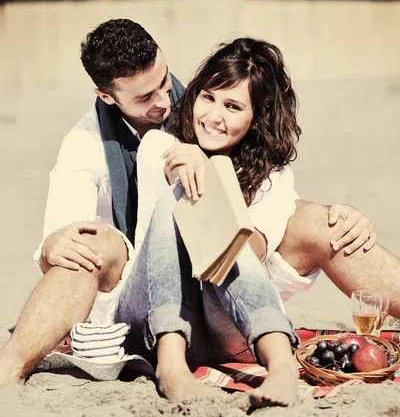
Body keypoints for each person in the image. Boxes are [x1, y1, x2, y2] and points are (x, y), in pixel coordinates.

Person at [0, 21, 386, 389]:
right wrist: (52, 243)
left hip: (228, 308)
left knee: (324, 222)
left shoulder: (211, 122)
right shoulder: (93, 144)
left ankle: (276, 363)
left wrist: (216, 185)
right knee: (98, 240)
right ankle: (10, 367)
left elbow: (257, 235)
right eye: (145, 97)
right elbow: (71, 241)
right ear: (107, 96)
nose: (166, 103)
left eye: (166, 83)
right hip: (143, 295)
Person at [114, 37, 400, 408]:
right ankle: (171, 367)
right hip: (153, 317)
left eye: (233, 106)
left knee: (219, 222)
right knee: (179, 198)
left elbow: (251, 251)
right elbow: (159, 254)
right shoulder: (159, 145)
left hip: (225, 327)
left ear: (255, 118)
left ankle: (281, 367)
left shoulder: (274, 178)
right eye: (208, 97)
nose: (213, 116)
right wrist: (191, 174)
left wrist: (216, 187)